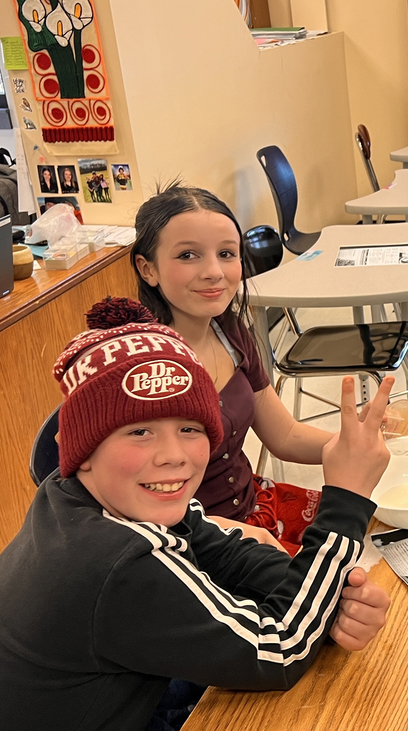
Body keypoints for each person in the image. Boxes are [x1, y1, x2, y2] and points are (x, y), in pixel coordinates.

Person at [0, 297, 393, 731]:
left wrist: (334, 599)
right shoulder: (116, 562)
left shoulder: (82, 497)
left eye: (190, 428)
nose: (174, 457)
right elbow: (281, 650)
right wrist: (347, 498)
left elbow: (228, 556)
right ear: (82, 451)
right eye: (140, 431)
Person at [132, 184, 333, 554]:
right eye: (188, 255)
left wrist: (354, 442)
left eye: (226, 253)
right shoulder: (139, 369)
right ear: (148, 269)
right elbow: (130, 504)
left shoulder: (229, 330)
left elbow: (284, 435)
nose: (214, 272)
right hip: (190, 542)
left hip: (254, 506)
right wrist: (229, 534)